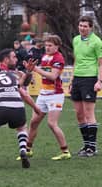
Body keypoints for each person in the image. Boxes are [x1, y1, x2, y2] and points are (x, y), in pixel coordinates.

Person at [22, 35, 71, 161]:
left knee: (51, 124)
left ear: (57, 46)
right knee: (33, 123)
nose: (47, 48)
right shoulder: (44, 57)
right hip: (43, 95)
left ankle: (65, 151)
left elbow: (53, 76)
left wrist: (36, 69)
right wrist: (30, 71)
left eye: (50, 45)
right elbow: (41, 74)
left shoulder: (58, 58)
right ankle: (28, 150)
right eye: (46, 45)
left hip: (55, 95)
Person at [70, 15, 102, 157]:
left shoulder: (97, 42)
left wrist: (99, 81)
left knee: (89, 114)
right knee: (79, 114)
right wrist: (71, 80)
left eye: (85, 26)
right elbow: (76, 60)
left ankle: (93, 148)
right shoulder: (76, 40)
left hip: (90, 79)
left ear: (90, 27)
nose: (82, 28)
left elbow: (101, 63)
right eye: (80, 25)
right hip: (77, 79)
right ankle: (86, 145)